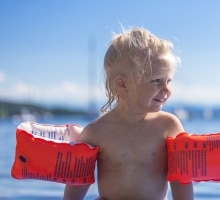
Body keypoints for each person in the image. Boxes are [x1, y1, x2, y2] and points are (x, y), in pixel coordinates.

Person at [63, 26, 194, 200]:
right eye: (156, 81)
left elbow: (181, 178)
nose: (167, 89)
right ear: (122, 85)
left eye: (168, 80)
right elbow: (78, 182)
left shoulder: (167, 126)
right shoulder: (97, 131)